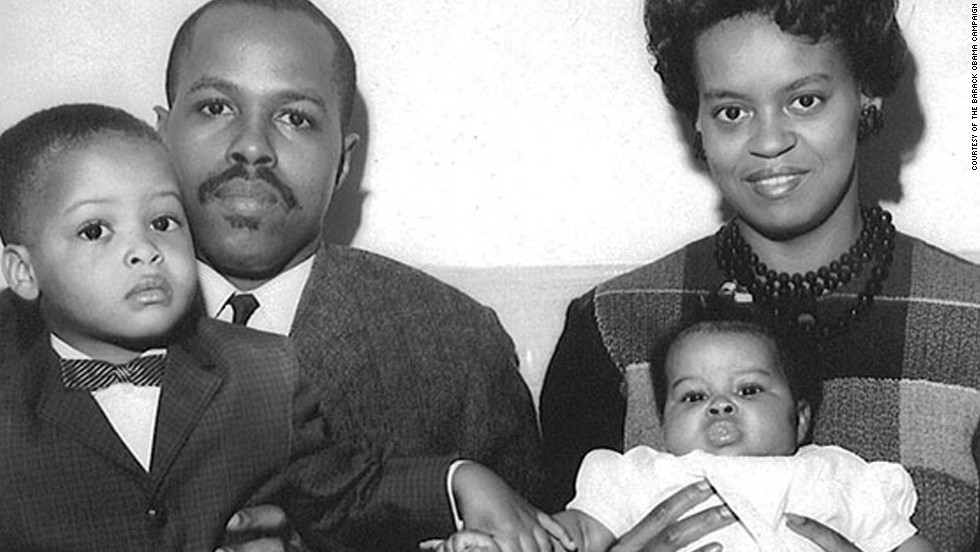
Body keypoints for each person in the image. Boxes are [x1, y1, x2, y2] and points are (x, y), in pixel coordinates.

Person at [0, 0, 545, 549]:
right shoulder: (17, 342)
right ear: (159, 135)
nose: (252, 147)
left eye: (296, 118)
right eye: (215, 107)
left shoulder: (456, 348)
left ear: (343, 162)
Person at [539, 1, 980, 550]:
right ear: (696, 119)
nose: (769, 142)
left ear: (866, 94)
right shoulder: (608, 326)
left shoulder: (973, 321)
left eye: (805, 100)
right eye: (731, 111)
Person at [555, 306, 935, 552]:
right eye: (692, 396)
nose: (719, 404)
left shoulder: (835, 474)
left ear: (800, 420)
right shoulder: (639, 475)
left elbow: (907, 543)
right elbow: (578, 534)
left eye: (748, 389)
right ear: (664, 426)